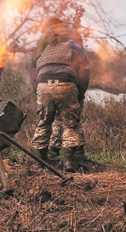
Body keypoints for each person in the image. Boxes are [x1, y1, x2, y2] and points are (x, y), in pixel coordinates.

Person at [31, 18, 90, 172]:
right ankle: (69, 162)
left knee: (44, 122)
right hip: (67, 83)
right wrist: (79, 94)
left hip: (43, 84)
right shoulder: (74, 44)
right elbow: (84, 72)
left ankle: (41, 162)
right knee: (70, 124)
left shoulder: (45, 46)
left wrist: (37, 90)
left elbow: (33, 70)